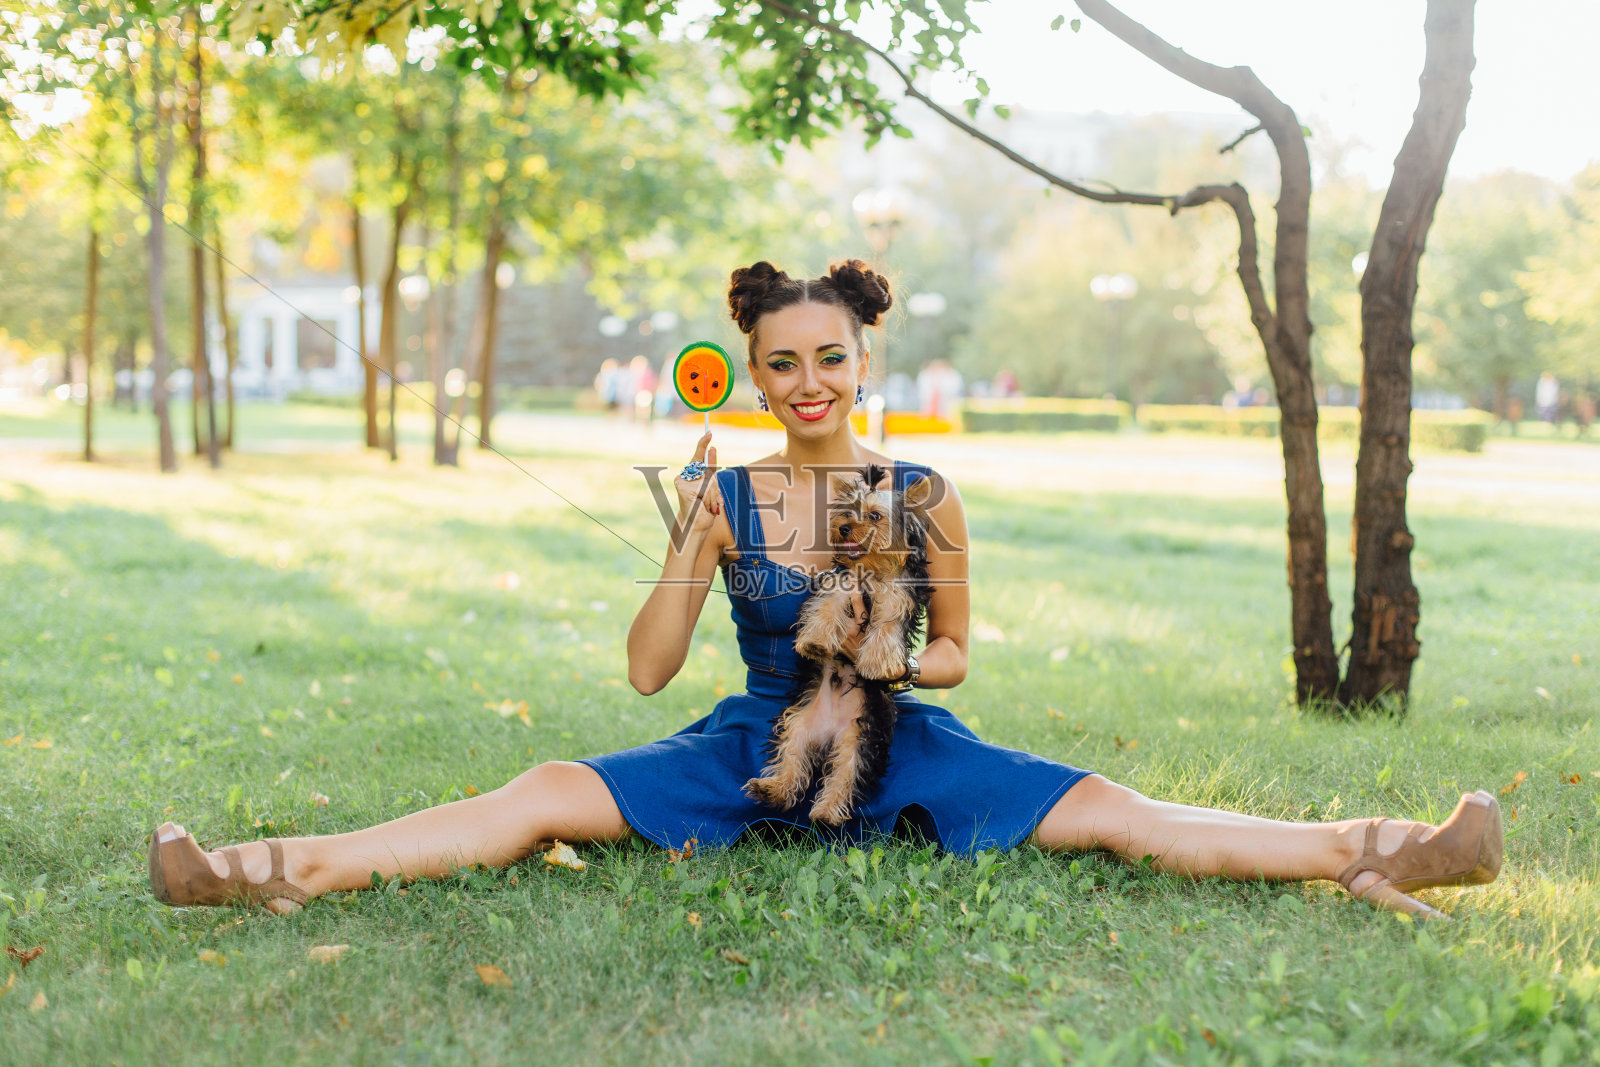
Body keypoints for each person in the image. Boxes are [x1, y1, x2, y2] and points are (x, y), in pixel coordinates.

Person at [148, 259, 1502, 920]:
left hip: (905, 740)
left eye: (831, 359)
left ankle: (1379, 850)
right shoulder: (726, 496)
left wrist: (904, 666)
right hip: (752, 744)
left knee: (1115, 814)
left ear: (863, 363)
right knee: (540, 794)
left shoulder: (924, 501)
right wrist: (692, 542)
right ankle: (272, 872)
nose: (808, 382)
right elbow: (644, 673)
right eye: (782, 362)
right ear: (750, 373)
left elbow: (962, 653)